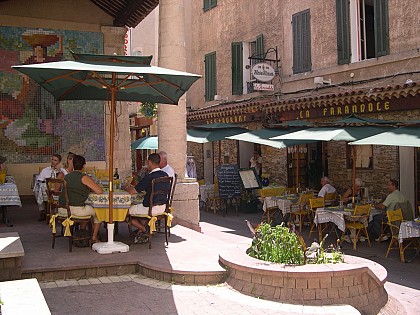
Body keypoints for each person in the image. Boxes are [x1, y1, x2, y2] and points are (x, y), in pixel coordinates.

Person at [57, 155, 103, 244]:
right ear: (84, 166)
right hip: (74, 210)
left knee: (86, 208)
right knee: (98, 212)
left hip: (62, 209)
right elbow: (99, 191)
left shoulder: (67, 176)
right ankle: (93, 238)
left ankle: (82, 232)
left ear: (73, 165)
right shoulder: (83, 177)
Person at [125, 153, 170, 244]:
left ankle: (143, 229)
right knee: (139, 207)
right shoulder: (166, 175)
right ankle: (141, 232)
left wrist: (126, 187)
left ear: (149, 162)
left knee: (124, 212)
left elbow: (133, 191)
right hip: (163, 207)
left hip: (151, 208)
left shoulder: (149, 177)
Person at [35, 153, 63, 221]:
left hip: (59, 190)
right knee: (37, 190)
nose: (53, 161)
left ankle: (58, 211)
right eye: (52, 159)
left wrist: (60, 170)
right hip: (47, 189)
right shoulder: (45, 170)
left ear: (59, 162)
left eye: (55, 160)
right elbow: (40, 180)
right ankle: (43, 211)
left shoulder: (62, 171)